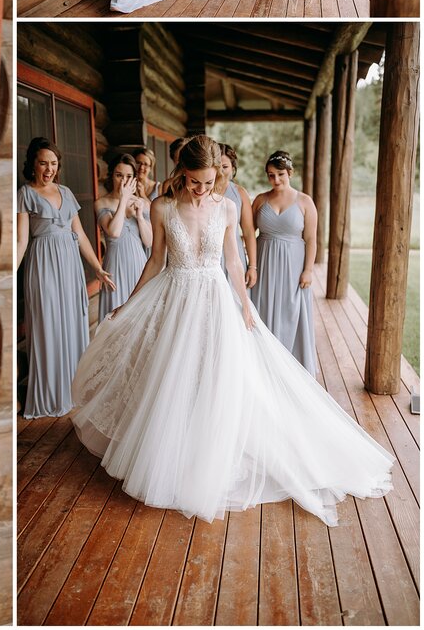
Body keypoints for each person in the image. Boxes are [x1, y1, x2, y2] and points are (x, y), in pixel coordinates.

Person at [69, 136, 393, 527]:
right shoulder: (162, 207)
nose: (202, 189)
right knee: (173, 376)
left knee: (216, 375)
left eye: (207, 182)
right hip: (174, 297)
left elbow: (234, 262)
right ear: (181, 173)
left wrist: (244, 305)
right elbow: (156, 260)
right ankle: (174, 453)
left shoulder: (225, 208)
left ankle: (211, 454)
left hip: (216, 299)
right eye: (194, 181)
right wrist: (130, 302)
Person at [16, 138, 115, 418]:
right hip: (43, 263)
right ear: (33, 164)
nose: (48, 169)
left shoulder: (66, 192)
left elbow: (81, 234)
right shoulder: (25, 193)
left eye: (53, 163)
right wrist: (10, 272)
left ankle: (74, 390)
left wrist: (97, 267)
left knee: (72, 321)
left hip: (70, 265)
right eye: (43, 163)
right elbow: (22, 240)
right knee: (48, 323)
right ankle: (50, 395)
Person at [251, 150, 318, 376]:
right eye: (271, 175)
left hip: (293, 265)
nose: (276, 180)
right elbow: (248, 233)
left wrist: (308, 270)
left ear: (290, 172)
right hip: (264, 262)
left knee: (291, 310)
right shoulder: (260, 200)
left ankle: (292, 368)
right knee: (263, 307)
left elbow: (311, 239)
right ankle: (264, 366)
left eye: (280, 174)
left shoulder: (305, 202)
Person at [95, 154, 151, 320]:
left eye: (128, 176)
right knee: (114, 320)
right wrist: (124, 199)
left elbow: (149, 242)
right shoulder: (102, 203)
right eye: (119, 175)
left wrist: (140, 216)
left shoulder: (144, 204)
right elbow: (114, 232)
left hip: (139, 266)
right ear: (112, 175)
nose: (124, 181)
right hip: (115, 268)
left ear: (134, 178)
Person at [218, 144, 257, 293]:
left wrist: (252, 266)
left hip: (234, 254)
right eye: (215, 166)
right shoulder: (202, 191)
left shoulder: (240, 193)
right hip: (207, 254)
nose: (220, 171)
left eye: (225, 167)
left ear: (233, 168)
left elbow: (248, 232)